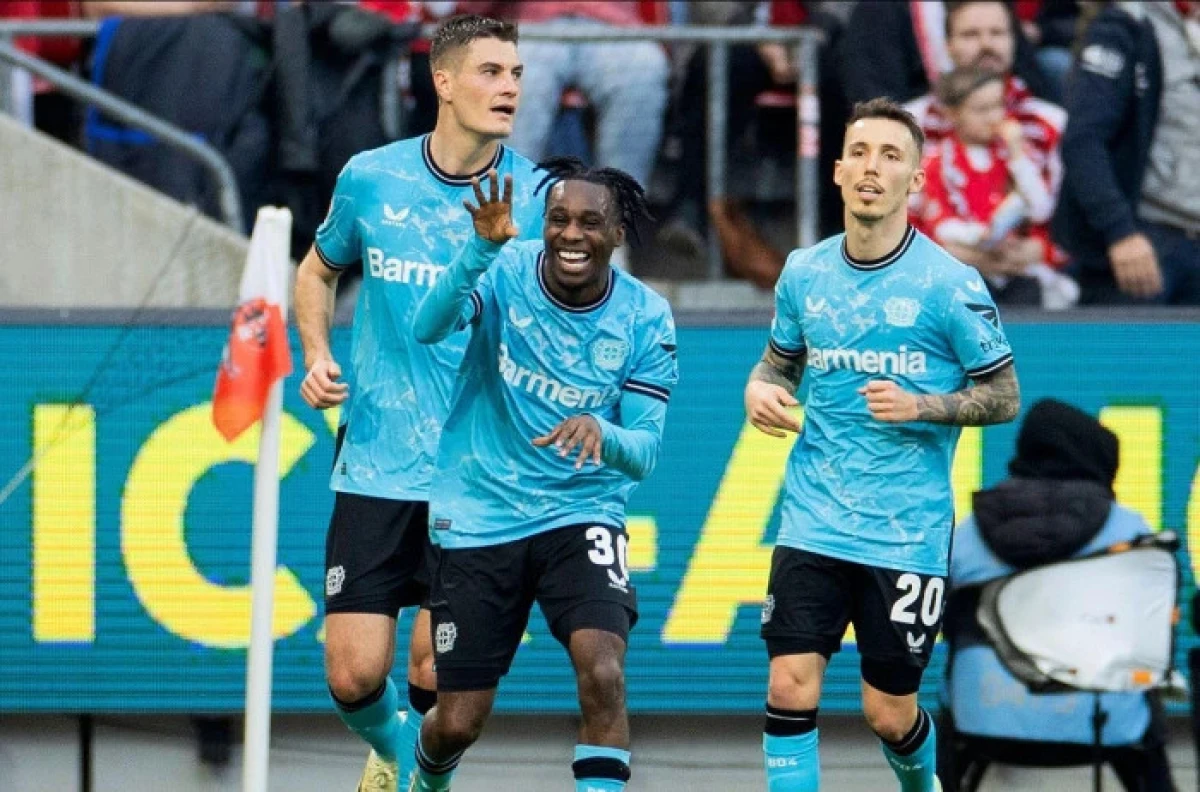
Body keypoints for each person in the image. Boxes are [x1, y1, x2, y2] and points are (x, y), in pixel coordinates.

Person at [293, 15, 545, 792]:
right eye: (491, 72)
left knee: (439, 667)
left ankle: (420, 781)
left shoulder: (536, 195)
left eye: (515, 73)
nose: (508, 87)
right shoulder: (372, 176)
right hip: (375, 458)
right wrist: (317, 354)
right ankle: (394, 752)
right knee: (351, 676)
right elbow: (316, 270)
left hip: (472, 475)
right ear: (443, 81)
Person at [743, 97, 1022, 792]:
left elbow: (1005, 394)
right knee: (790, 682)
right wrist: (759, 388)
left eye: (891, 156)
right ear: (837, 171)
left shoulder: (948, 286)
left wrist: (922, 405)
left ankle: (923, 783)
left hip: (905, 533)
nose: (873, 168)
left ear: (916, 181)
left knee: (888, 712)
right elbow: (780, 362)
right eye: (860, 153)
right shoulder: (804, 273)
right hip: (813, 517)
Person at [409, 157, 678, 792]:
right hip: (480, 514)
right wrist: (478, 248)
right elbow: (427, 328)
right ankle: (419, 780)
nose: (571, 234)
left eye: (591, 222)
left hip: (580, 513)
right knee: (458, 721)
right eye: (559, 219)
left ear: (617, 234)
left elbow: (644, 450)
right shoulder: (503, 270)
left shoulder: (644, 317)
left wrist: (603, 433)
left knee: (604, 673)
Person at [942, 397, 1177, 791]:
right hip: (1104, 720)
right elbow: (1154, 635)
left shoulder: (966, 534)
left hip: (983, 716)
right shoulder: (1129, 532)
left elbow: (944, 623)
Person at [1053, 1, 1200, 306]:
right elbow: (1085, 140)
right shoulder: (1125, 27)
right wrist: (1119, 230)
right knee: (1130, 353)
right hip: (1146, 242)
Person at [910, 66, 1078, 308]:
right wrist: (978, 237)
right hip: (961, 271)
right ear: (952, 113)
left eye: (998, 106)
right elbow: (940, 223)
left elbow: (1040, 209)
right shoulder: (936, 162)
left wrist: (1018, 154)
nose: (993, 117)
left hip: (1012, 269)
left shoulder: (1014, 158)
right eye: (981, 109)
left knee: (1032, 296)